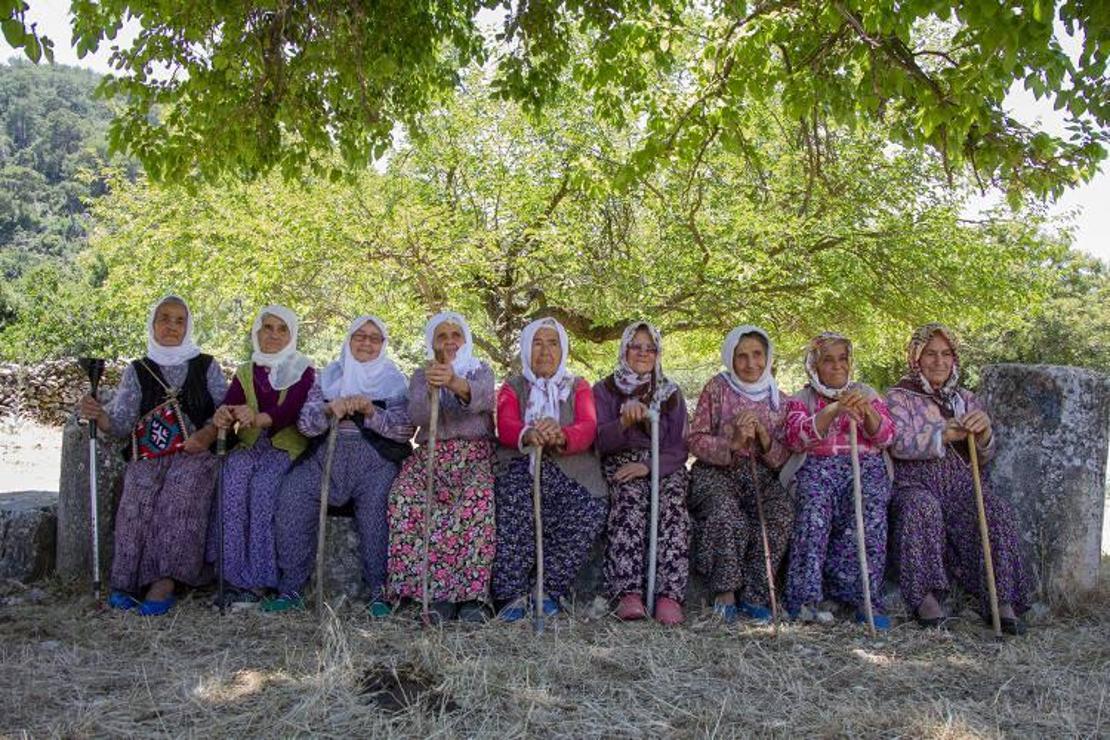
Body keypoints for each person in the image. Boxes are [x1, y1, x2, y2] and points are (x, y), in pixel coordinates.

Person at [79, 295, 227, 616]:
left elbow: (224, 411)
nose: (171, 326)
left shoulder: (207, 366)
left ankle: (164, 582)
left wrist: (206, 434)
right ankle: (127, 581)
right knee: (137, 497)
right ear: (153, 323)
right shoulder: (137, 370)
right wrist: (98, 414)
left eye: (179, 320)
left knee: (180, 493)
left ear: (188, 327)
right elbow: (119, 423)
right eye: (164, 318)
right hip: (149, 455)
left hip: (195, 455)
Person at [887, 323, 1031, 634]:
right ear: (915, 358)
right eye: (930, 354)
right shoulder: (899, 397)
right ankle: (925, 597)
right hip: (914, 482)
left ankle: (1000, 597)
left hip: (961, 483)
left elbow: (984, 455)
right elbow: (896, 443)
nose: (939, 361)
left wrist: (984, 433)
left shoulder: (966, 399)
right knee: (921, 509)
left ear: (954, 358)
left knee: (995, 512)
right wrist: (943, 433)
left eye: (946, 354)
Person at [267, 315, 415, 615]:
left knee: (376, 511)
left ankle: (379, 593)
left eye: (375, 338)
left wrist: (371, 412)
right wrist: (327, 410)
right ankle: (291, 589)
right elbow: (306, 427)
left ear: (383, 344)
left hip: (375, 462)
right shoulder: (328, 376)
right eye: (360, 336)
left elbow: (404, 430)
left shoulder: (394, 380)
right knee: (292, 495)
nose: (367, 343)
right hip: (325, 459)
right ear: (349, 340)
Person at [492, 317, 608, 621]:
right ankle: (512, 593)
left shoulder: (578, 385)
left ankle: (547, 589)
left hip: (569, 466)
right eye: (538, 343)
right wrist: (528, 433)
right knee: (513, 504)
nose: (545, 351)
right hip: (521, 465)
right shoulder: (512, 386)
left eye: (553, 343)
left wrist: (562, 435)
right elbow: (505, 425)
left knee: (590, 508)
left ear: (563, 349)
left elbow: (588, 425)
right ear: (527, 349)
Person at [386, 311, 497, 623]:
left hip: (474, 453)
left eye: (455, 335)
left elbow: (485, 399)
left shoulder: (480, 370)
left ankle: (471, 597)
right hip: (432, 454)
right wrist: (434, 386)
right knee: (405, 496)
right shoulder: (421, 375)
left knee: (476, 501)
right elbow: (419, 417)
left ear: (466, 340)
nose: (450, 342)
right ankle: (426, 593)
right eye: (442, 336)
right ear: (432, 343)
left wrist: (454, 382)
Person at [782, 332, 895, 629]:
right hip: (817, 465)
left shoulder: (867, 393)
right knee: (814, 505)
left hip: (864, 464)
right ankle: (804, 598)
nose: (836, 367)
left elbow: (887, 437)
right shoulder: (802, 399)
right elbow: (795, 439)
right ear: (814, 365)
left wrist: (866, 412)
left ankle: (864, 597)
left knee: (870, 504)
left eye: (842, 359)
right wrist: (833, 410)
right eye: (827, 360)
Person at [687, 325, 793, 624]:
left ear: (768, 356)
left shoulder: (779, 400)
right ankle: (726, 591)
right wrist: (731, 443)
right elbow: (695, 440)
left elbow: (782, 458)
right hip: (716, 472)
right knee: (724, 512)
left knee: (780, 512)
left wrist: (763, 436)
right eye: (742, 356)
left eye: (757, 355)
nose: (750, 364)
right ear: (730, 358)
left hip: (759, 475)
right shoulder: (716, 388)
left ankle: (758, 593)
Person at [210, 305, 314, 606]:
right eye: (268, 328)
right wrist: (225, 414)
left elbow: (289, 411)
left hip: (284, 447)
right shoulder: (246, 371)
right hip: (249, 446)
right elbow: (231, 406)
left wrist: (255, 417)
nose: (274, 335)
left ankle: (259, 580)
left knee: (264, 490)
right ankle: (231, 578)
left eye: (283, 330)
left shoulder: (302, 369)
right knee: (232, 484)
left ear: (292, 335)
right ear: (257, 332)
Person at [594, 321, 689, 625]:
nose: (644, 353)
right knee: (628, 499)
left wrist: (648, 467)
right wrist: (622, 424)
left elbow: (679, 447)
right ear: (624, 349)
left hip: (662, 465)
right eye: (636, 346)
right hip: (621, 461)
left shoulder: (670, 392)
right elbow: (598, 442)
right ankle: (628, 593)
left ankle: (669, 596)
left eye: (651, 348)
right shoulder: (604, 390)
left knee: (672, 505)